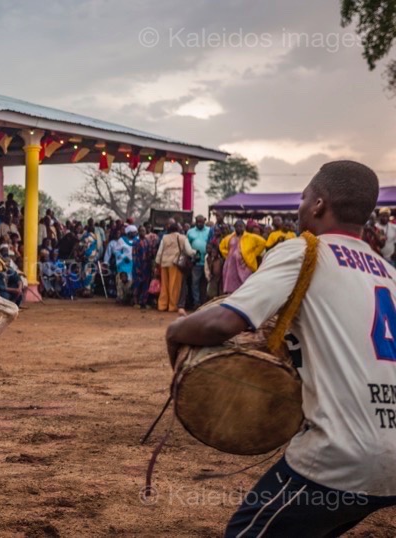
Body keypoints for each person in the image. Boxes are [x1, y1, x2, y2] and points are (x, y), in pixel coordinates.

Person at [166, 160, 396, 536]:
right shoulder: (389, 272)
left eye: (304, 198)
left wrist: (175, 331)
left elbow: (224, 322)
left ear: (319, 205)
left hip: (340, 454)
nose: (300, 207)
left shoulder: (304, 252)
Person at [155, 220, 195, 313]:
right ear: (178, 229)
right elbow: (189, 251)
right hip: (175, 264)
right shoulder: (182, 238)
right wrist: (195, 252)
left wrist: (157, 262)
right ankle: (172, 306)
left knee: (164, 285)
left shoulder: (164, 237)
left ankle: (162, 305)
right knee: (174, 286)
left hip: (164, 263)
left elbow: (160, 251)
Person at [219, 220, 267, 294]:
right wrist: (227, 254)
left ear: (244, 227)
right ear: (234, 228)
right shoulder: (230, 237)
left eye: (241, 226)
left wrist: (253, 254)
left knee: (245, 281)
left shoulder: (250, 237)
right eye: (237, 227)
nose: (239, 228)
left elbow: (263, 243)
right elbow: (221, 246)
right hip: (231, 264)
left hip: (244, 263)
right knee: (230, 280)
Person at [186, 215, 210, 308]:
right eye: (198, 222)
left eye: (201, 222)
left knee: (205, 283)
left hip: (207, 261)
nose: (199, 224)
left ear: (204, 221)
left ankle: (205, 302)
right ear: (195, 222)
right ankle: (196, 302)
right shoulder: (190, 232)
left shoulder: (209, 230)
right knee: (195, 282)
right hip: (195, 262)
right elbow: (187, 245)